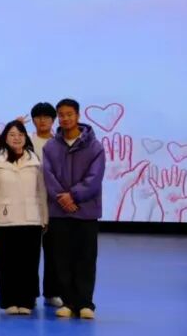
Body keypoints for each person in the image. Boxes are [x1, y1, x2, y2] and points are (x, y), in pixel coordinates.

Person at [42, 98, 105, 320]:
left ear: (78, 115)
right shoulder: (51, 146)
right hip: (59, 212)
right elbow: (47, 175)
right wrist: (63, 198)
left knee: (86, 258)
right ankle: (68, 302)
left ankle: (85, 303)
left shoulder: (95, 147)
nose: (65, 118)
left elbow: (94, 177)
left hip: (86, 212)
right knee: (62, 259)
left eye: (69, 114)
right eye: (61, 114)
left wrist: (74, 195)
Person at [0, 120, 47, 315]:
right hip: (5, 218)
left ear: (25, 138)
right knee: (7, 263)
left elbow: (42, 191)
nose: (16, 138)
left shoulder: (35, 161)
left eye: (20, 134)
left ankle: (27, 301)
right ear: (5, 138)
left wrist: (45, 217)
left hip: (32, 218)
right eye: (12, 134)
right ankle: (9, 301)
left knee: (29, 263)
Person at [29, 101, 60, 308]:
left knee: (54, 251)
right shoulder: (27, 141)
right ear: (33, 120)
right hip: (30, 202)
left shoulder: (59, 143)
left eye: (47, 117)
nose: (42, 121)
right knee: (30, 252)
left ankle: (52, 292)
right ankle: (29, 292)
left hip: (54, 203)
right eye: (38, 117)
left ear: (53, 120)